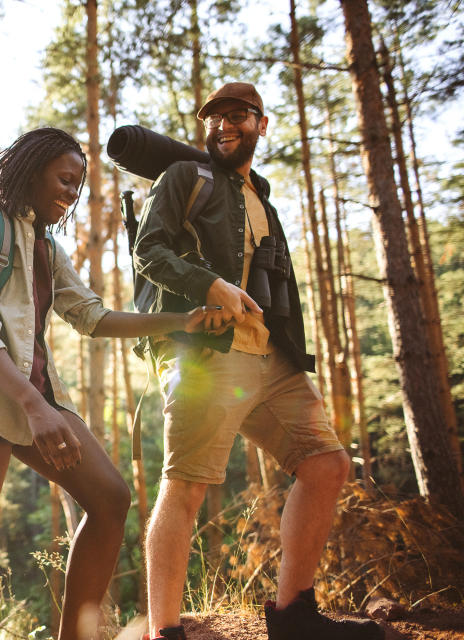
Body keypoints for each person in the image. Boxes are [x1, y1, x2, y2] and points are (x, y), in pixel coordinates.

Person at [0, 127, 208, 640]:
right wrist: (36, 408)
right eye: (64, 179)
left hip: (37, 398)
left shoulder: (44, 246)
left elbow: (92, 316)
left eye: (77, 186)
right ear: (31, 172)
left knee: (110, 500)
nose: (71, 193)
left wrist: (180, 322)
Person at [132, 83, 384, 640]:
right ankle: (165, 632)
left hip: (271, 356)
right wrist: (208, 285)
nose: (223, 124)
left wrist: (292, 346)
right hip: (206, 353)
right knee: (187, 485)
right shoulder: (183, 179)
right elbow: (147, 251)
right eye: (214, 117)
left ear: (261, 124)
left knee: (326, 464)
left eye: (237, 115)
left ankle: (294, 615)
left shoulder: (262, 199)